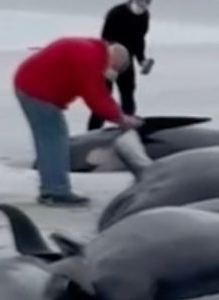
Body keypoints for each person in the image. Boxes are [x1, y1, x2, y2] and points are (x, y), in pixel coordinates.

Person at [13, 37, 143, 206]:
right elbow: (96, 98)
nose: (110, 74)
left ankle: (51, 189)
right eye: (114, 70)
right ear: (114, 62)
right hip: (37, 92)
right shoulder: (90, 59)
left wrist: (118, 116)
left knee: (50, 139)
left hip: (31, 86)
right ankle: (55, 191)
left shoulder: (93, 50)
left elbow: (96, 93)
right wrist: (121, 119)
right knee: (54, 141)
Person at [87, 0, 154, 131]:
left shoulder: (144, 17)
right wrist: (110, 65)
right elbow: (105, 39)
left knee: (128, 95)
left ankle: (128, 127)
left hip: (127, 61)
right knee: (103, 98)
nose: (141, 8)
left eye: (145, 6)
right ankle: (92, 131)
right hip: (108, 58)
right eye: (140, 4)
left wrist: (141, 60)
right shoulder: (116, 13)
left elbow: (139, 40)